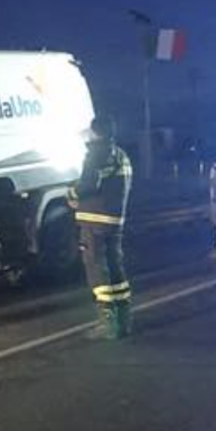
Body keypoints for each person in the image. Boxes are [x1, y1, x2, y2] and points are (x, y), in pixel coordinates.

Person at [69, 116, 133, 340]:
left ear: (95, 132)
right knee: (115, 267)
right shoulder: (121, 155)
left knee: (96, 267)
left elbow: (88, 184)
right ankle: (123, 319)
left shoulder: (96, 153)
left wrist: (72, 193)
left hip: (95, 220)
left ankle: (107, 322)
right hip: (114, 221)